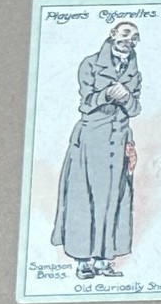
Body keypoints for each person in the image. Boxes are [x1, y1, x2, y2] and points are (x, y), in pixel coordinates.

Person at [51, 20, 141, 279]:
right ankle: (83, 261)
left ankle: (103, 260)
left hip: (119, 138)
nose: (130, 40)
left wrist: (126, 97)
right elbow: (86, 104)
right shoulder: (90, 64)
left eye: (135, 37)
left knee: (114, 198)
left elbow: (135, 108)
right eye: (126, 34)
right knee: (84, 197)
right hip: (91, 139)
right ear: (113, 34)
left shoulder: (135, 72)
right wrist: (108, 95)